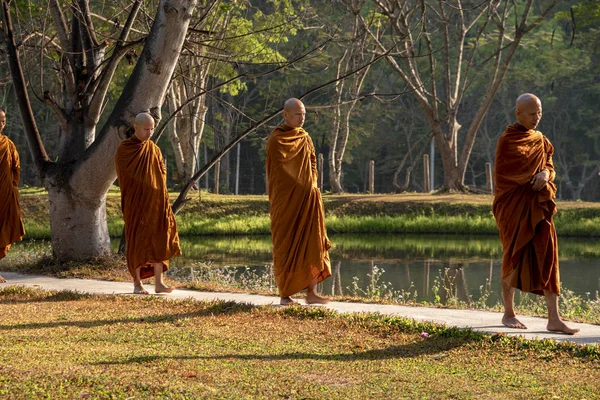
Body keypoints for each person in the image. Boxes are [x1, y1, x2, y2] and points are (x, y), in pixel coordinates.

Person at [493, 93, 579, 335]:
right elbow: (503, 175)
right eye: (532, 114)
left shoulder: (541, 140)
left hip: (540, 206)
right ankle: (508, 313)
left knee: (549, 254)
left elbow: (549, 166)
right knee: (513, 253)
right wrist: (531, 178)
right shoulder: (507, 140)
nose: (536, 118)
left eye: (539, 113)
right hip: (513, 206)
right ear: (518, 113)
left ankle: (554, 318)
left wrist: (545, 176)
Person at [266, 98, 331, 305]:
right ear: (285, 115)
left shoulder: (305, 137)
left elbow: (312, 162)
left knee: (313, 242)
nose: (302, 118)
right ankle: (286, 294)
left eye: (303, 114)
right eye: (297, 114)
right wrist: (300, 185)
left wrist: (311, 185)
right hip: (286, 202)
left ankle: (312, 292)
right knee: (286, 246)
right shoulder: (277, 139)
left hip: (307, 199)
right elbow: (279, 172)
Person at [115, 112, 181, 294]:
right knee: (137, 241)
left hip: (157, 203)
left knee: (159, 238)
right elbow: (126, 176)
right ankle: (137, 284)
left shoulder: (154, 149)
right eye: (146, 129)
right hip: (136, 203)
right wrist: (146, 186)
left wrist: (160, 194)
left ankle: (159, 283)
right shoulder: (125, 149)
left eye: (152, 129)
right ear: (135, 127)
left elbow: (161, 173)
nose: (150, 132)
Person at [0, 108, 25, 283]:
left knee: (2, 232)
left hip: (4, 195)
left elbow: (15, 168)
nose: (1, 123)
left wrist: (12, 185)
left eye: (3, 120)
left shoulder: (8, 144)